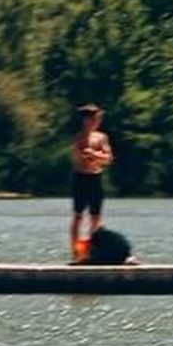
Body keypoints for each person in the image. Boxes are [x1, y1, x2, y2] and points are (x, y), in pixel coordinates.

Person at [69, 102, 114, 261]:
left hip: (96, 178)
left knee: (96, 217)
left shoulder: (101, 137)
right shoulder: (78, 138)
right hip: (81, 178)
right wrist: (97, 156)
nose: (97, 122)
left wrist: (95, 155)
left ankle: (91, 252)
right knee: (78, 216)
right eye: (95, 119)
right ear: (86, 120)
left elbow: (108, 158)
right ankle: (76, 254)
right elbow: (82, 157)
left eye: (98, 119)